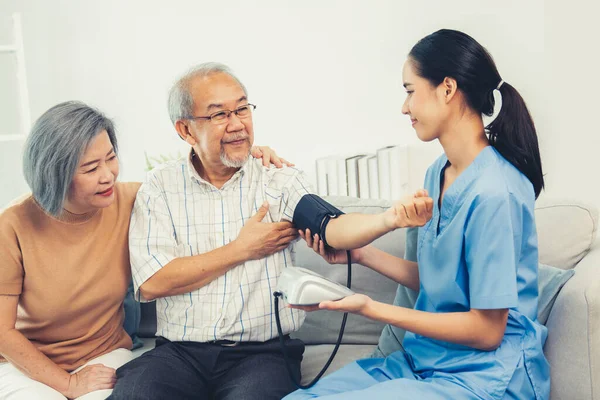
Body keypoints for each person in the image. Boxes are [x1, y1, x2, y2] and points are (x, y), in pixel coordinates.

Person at [109, 62, 430, 400]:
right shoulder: (159, 187)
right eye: (219, 115)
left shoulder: (277, 178)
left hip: (261, 356)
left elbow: (332, 227)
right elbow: (154, 281)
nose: (237, 124)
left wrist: (389, 219)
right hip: (179, 354)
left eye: (242, 108)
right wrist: (242, 249)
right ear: (186, 130)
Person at [285, 29, 549, 399]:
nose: (404, 107)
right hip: (423, 361)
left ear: (446, 89)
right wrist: (360, 255)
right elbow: (443, 284)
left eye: (410, 91)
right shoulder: (437, 172)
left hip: (483, 377)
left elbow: (488, 331)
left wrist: (372, 309)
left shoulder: (496, 192)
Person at [0, 100, 289, 400]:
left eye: (110, 158)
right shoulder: (13, 224)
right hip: (25, 366)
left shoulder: (133, 200)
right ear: (54, 173)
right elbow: (2, 332)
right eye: (90, 168)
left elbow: (198, 182)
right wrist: (67, 384)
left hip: (104, 355)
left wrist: (247, 157)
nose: (107, 175)